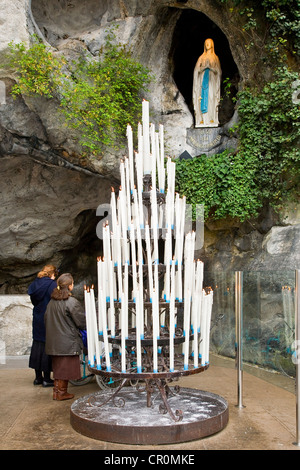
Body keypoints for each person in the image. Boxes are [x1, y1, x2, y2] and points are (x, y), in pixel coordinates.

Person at [44, 273, 86, 400]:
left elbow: (46, 319)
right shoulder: (71, 302)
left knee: (59, 368)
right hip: (67, 341)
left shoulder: (52, 302)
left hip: (54, 341)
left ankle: (57, 392)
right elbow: (81, 321)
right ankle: (61, 393)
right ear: (70, 286)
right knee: (65, 369)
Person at [28, 265, 58, 387]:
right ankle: (47, 379)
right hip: (48, 316)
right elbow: (55, 299)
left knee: (37, 345)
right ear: (52, 274)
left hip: (37, 316)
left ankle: (38, 378)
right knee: (47, 346)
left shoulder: (35, 283)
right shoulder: (52, 284)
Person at [193, 38, 222, 128]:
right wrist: (204, 68)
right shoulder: (201, 58)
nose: (207, 44)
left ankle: (211, 118)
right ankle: (202, 119)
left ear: (212, 44)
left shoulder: (215, 57)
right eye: (206, 43)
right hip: (202, 82)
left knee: (211, 98)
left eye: (209, 43)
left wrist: (211, 68)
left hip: (212, 81)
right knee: (202, 98)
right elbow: (196, 70)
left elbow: (219, 71)